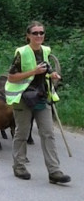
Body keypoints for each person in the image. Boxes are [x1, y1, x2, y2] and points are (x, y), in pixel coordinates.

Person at [4, 21, 70, 184]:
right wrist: (34, 71)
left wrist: (52, 74)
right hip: (24, 97)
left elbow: (45, 70)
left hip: (41, 96)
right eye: (35, 33)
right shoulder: (22, 52)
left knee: (48, 133)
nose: (39, 36)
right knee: (22, 133)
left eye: (41, 33)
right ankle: (19, 166)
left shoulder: (45, 51)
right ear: (28, 36)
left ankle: (54, 171)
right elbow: (11, 77)